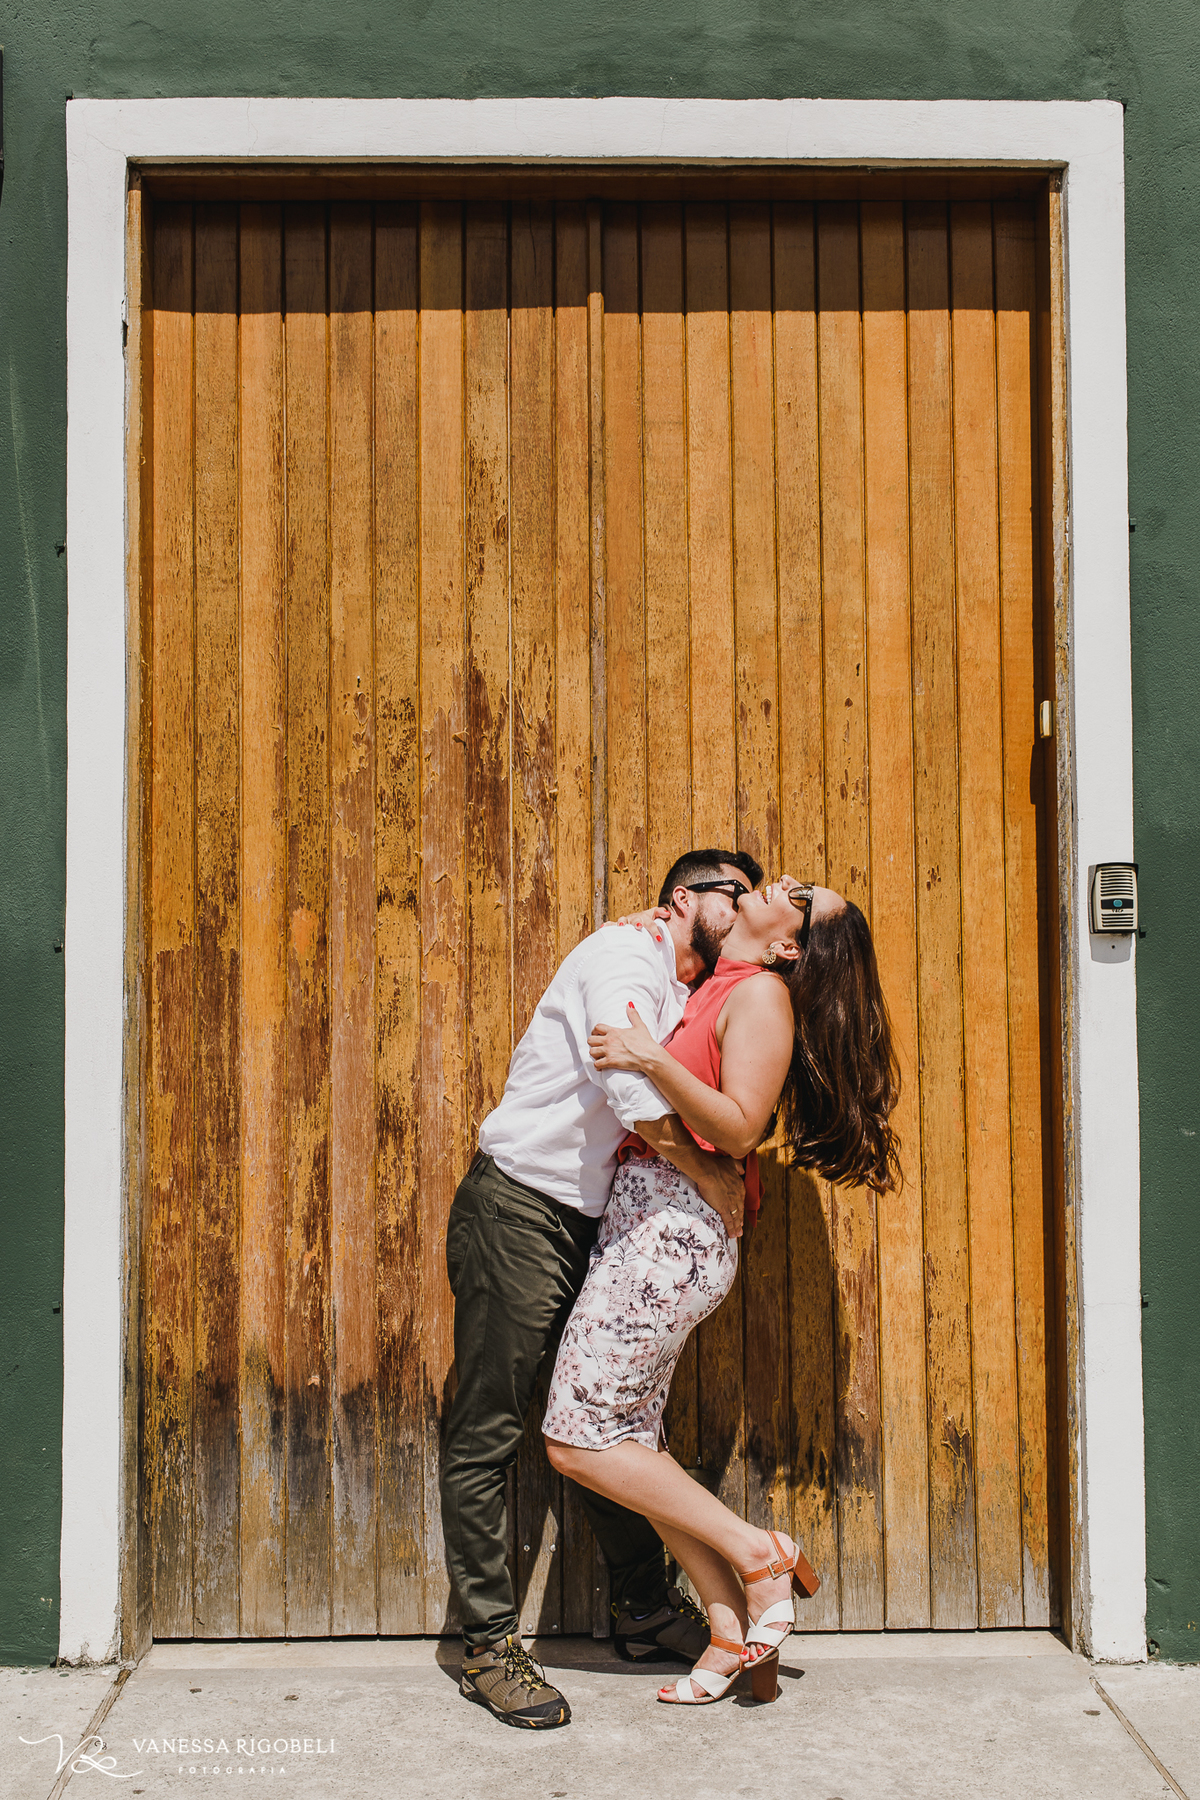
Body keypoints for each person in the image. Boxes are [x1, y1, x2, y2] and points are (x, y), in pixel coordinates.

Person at [543, 874, 901, 1707]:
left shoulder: (763, 997)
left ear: (789, 944)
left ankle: (759, 1555)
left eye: (803, 898)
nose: (785, 882)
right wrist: (655, 926)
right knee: (632, 1439)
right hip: (647, 1219)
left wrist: (647, 1056)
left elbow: (739, 1126)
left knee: (577, 1442)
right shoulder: (715, 981)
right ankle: (730, 1631)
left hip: (673, 1230)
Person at [440, 848, 763, 1730]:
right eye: (733, 893)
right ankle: (486, 1645)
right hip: (520, 1208)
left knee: (600, 1421)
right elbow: (624, 1084)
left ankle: (642, 1608)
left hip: (594, 1223)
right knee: (488, 1428)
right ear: (681, 899)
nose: (744, 906)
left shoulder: (694, 987)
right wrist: (707, 1171)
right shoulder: (625, 956)